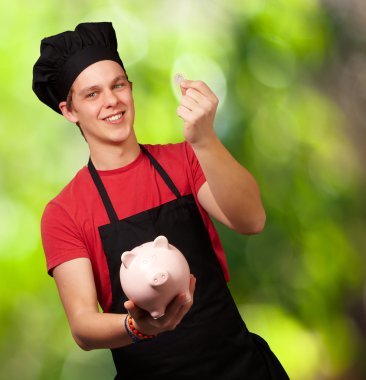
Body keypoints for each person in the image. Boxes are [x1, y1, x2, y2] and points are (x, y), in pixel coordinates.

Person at [33, 22, 289, 379]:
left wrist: (204, 140)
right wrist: (139, 327)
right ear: (69, 111)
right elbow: (83, 327)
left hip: (241, 368)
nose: (112, 100)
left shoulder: (185, 160)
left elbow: (251, 220)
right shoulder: (65, 212)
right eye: (92, 94)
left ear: (130, 88)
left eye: (118, 84)